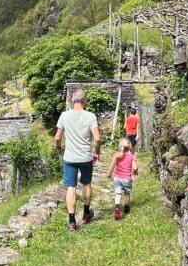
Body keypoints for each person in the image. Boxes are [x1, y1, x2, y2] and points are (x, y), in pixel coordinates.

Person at [55, 88, 101, 232]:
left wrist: (59, 149)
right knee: (86, 184)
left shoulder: (64, 115)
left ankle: (72, 221)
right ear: (85, 101)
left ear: (72, 101)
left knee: (71, 188)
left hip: (69, 157)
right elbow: (98, 138)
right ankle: (86, 213)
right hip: (85, 157)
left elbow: (57, 137)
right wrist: (97, 153)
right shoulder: (90, 116)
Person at [108, 137, 139, 221]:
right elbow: (135, 167)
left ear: (119, 146)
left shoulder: (117, 155)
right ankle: (126, 208)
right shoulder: (132, 157)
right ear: (130, 147)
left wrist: (109, 174)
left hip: (117, 178)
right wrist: (135, 170)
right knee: (127, 194)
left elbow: (112, 165)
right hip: (126, 179)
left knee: (118, 194)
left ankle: (117, 207)